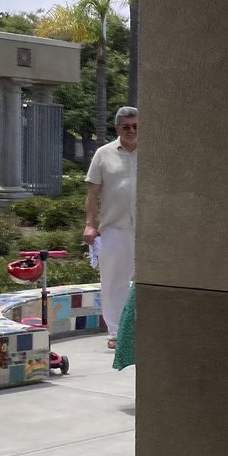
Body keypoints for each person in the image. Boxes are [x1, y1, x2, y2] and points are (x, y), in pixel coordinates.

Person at [84, 106, 137, 349]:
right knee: (114, 281)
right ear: (117, 128)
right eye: (126, 126)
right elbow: (92, 193)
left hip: (149, 230)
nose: (131, 130)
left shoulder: (153, 153)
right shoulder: (103, 154)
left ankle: (142, 329)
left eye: (135, 126)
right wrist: (90, 225)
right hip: (115, 228)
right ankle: (116, 333)